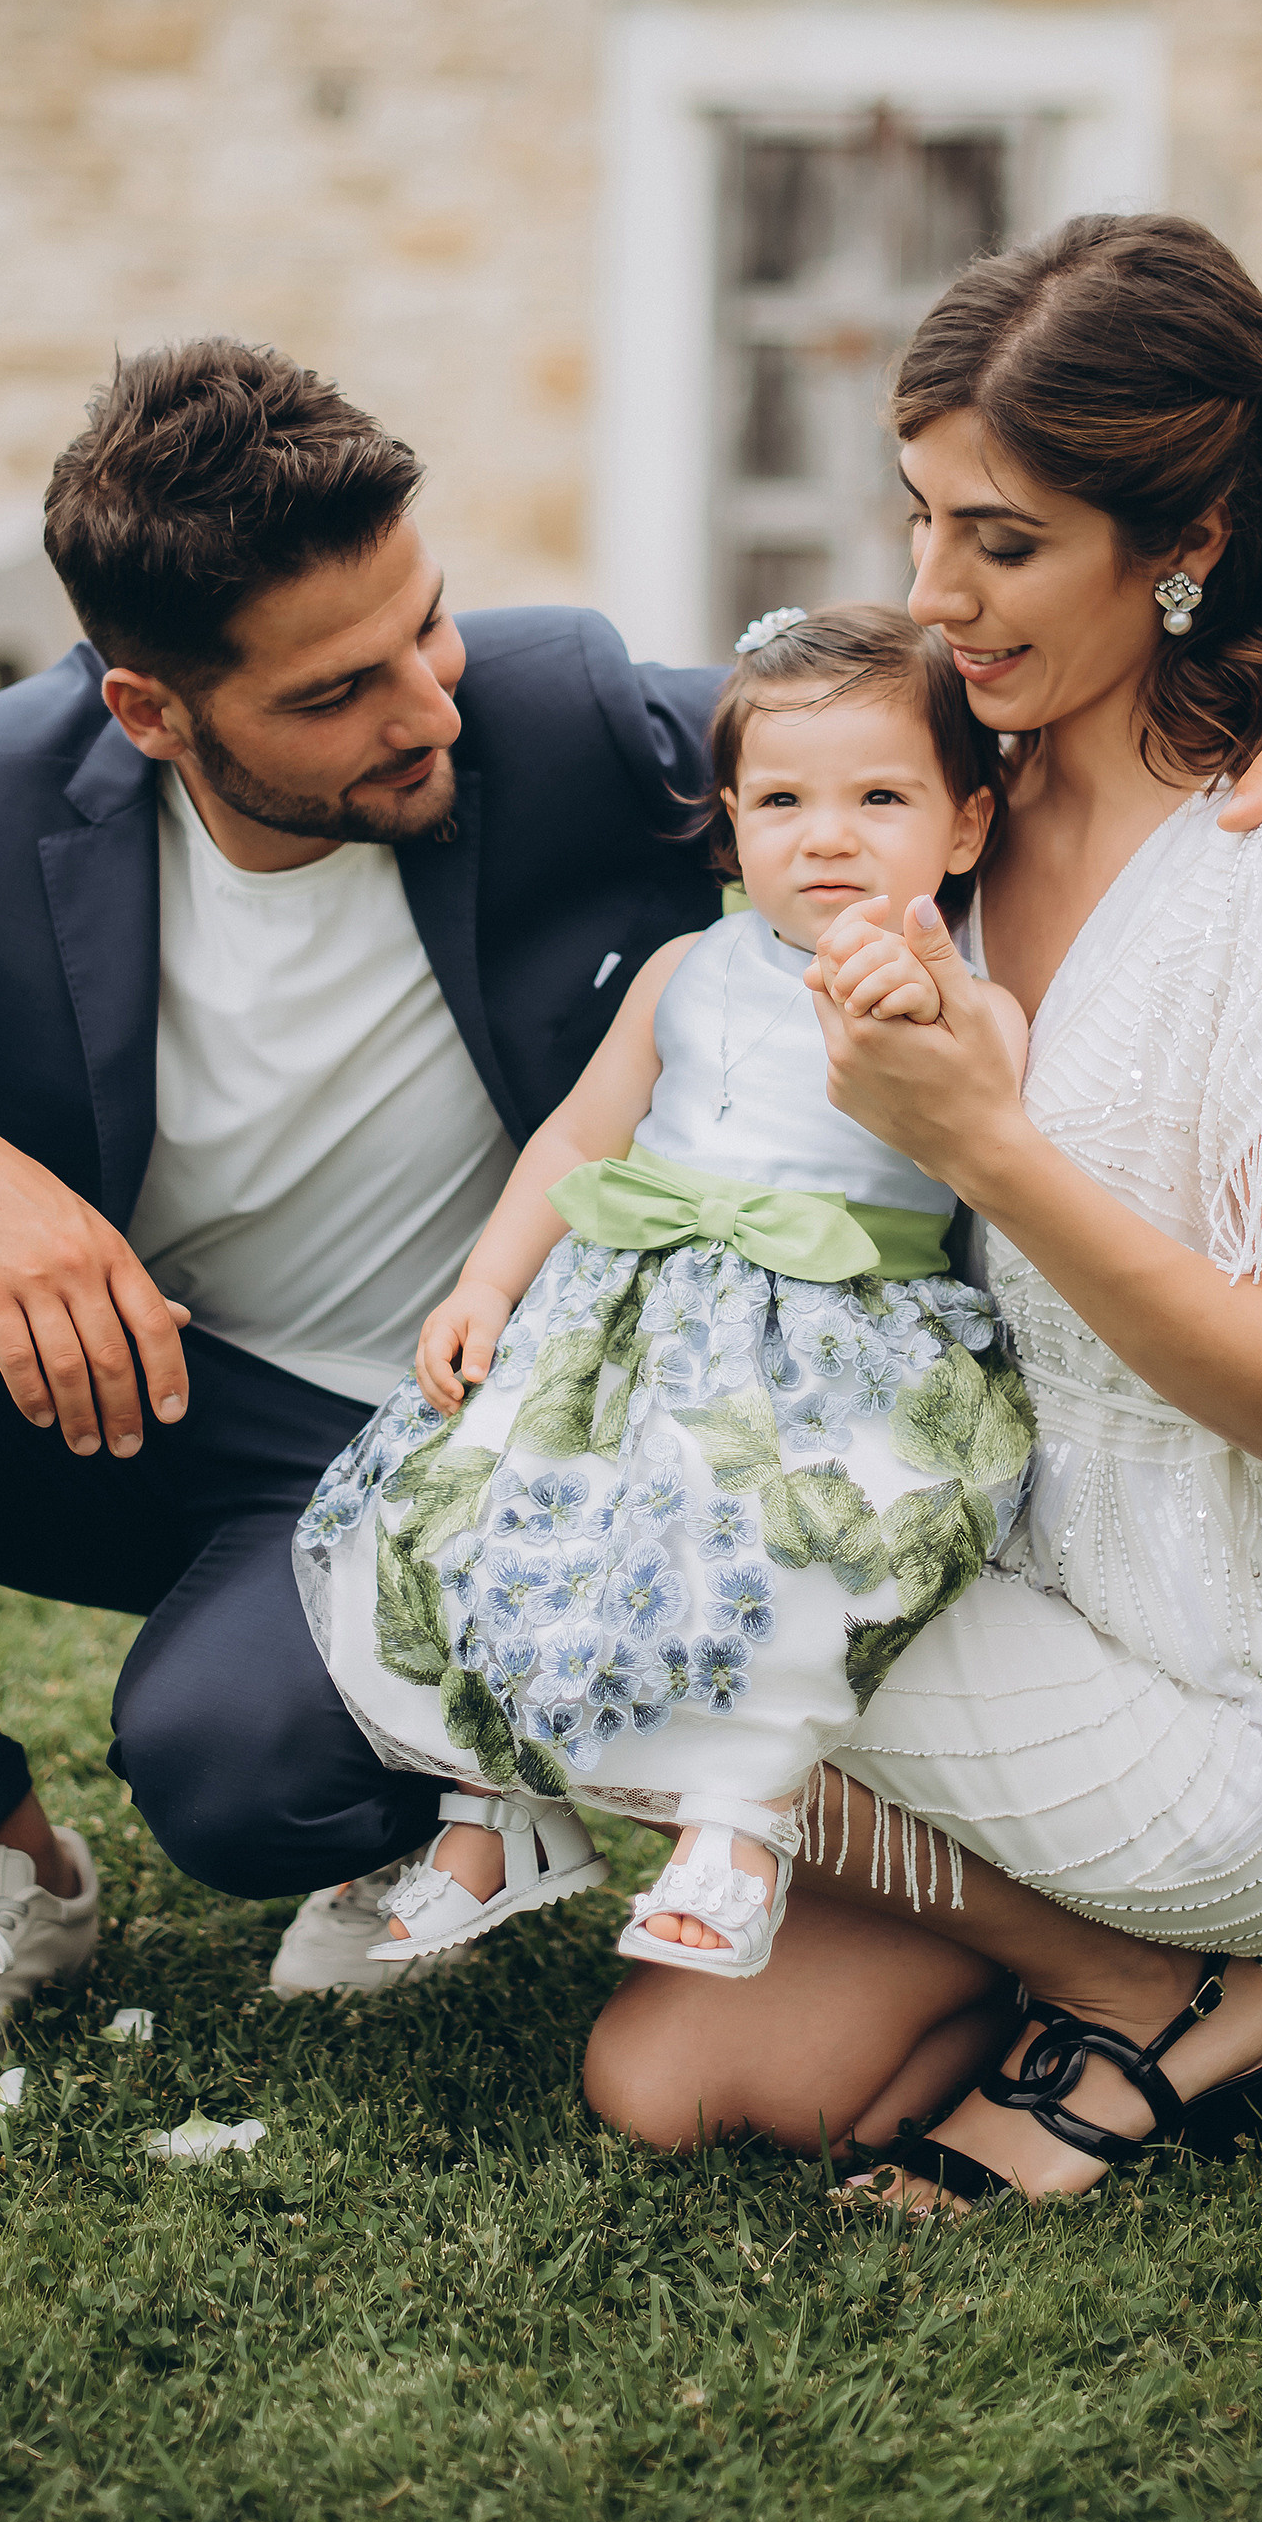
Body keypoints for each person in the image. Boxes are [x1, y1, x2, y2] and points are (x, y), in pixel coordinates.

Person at [0, 329, 1262, 2118]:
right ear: (147, 708)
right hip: (157, 1397)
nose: (425, 708)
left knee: (233, 1780)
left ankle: (488, 1793)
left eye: (424, 627)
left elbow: (917, 704)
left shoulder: (547, 709)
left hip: (522, 1423)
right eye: (335, 693)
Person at [582, 212, 1262, 2207]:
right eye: (919, 521)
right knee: (673, 2078)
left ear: (1186, 542)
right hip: (993, 1591)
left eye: (1001, 541)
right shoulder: (932, 774)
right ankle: (1095, 1928)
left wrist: (992, 1149)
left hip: (1253, 1717)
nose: (932, 596)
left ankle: (1162, 1976)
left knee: (609, 1599)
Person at [297, 603, 1033, 1980]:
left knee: (770, 1551)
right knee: (497, 1508)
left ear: (966, 827)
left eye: (881, 799)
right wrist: (488, 1285)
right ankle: (496, 1811)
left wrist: (925, 1005)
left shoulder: (967, 997)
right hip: (626, 1324)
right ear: (733, 827)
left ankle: (735, 1829)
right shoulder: (688, 969)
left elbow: (993, 1118)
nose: (827, 836)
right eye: (783, 801)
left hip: (831, 1341)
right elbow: (580, 1137)